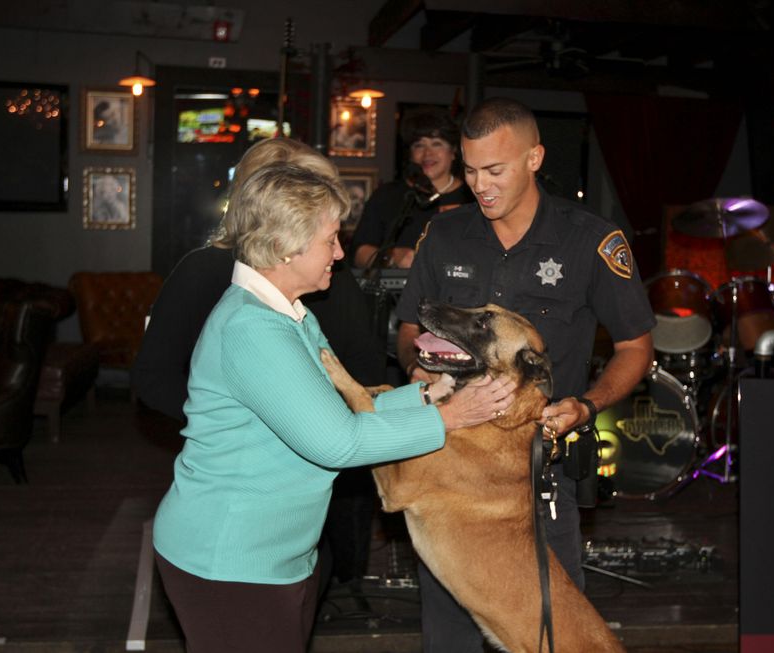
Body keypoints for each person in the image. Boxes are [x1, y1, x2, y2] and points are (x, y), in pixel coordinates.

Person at [151, 162, 517, 653]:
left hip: (276, 557)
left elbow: (345, 413)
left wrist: (428, 396)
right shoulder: (253, 330)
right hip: (230, 560)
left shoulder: (289, 315)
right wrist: (449, 418)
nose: (341, 253)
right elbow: (339, 443)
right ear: (286, 246)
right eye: (330, 240)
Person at [395, 97, 656, 652]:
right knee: (448, 637)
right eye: (468, 170)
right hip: (452, 467)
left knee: (550, 636)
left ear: (534, 158)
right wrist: (418, 367)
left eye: (495, 170)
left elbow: (635, 346)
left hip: (542, 468)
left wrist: (587, 404)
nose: (479, 184)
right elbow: (408, 327)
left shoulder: (589, 240)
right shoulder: (444, 236)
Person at [132, 137, 385, 601]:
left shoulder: (332, 274)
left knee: (312, 582)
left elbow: (362, 368)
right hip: (243, 496)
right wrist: (230, 426)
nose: (333, 245)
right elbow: (154, 376)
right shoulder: (206, 271)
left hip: (324, 479)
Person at [351, 106, 474, 269]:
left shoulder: (472, 197)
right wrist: (392, 257)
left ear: (454, 152)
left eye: (437, 144)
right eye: (419, 145)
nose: (427, 154)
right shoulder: (387, 195)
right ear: (410, 153)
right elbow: (358, 254)